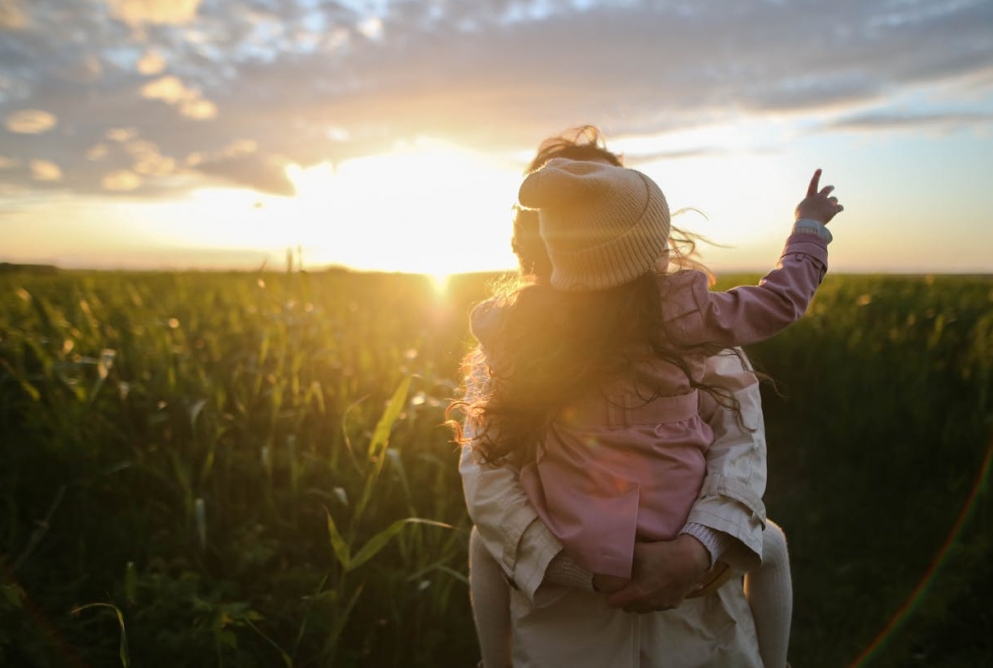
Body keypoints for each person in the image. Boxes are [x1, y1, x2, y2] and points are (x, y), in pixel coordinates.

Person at [455, 128, 842, 667]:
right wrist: (808, 232)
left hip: (697, 620)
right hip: (563, 624)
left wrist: (695, 549)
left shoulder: (521, 331)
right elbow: (488, 476)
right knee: (769, 543)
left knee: (482, 546)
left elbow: (740, 443)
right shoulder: (687, 319)